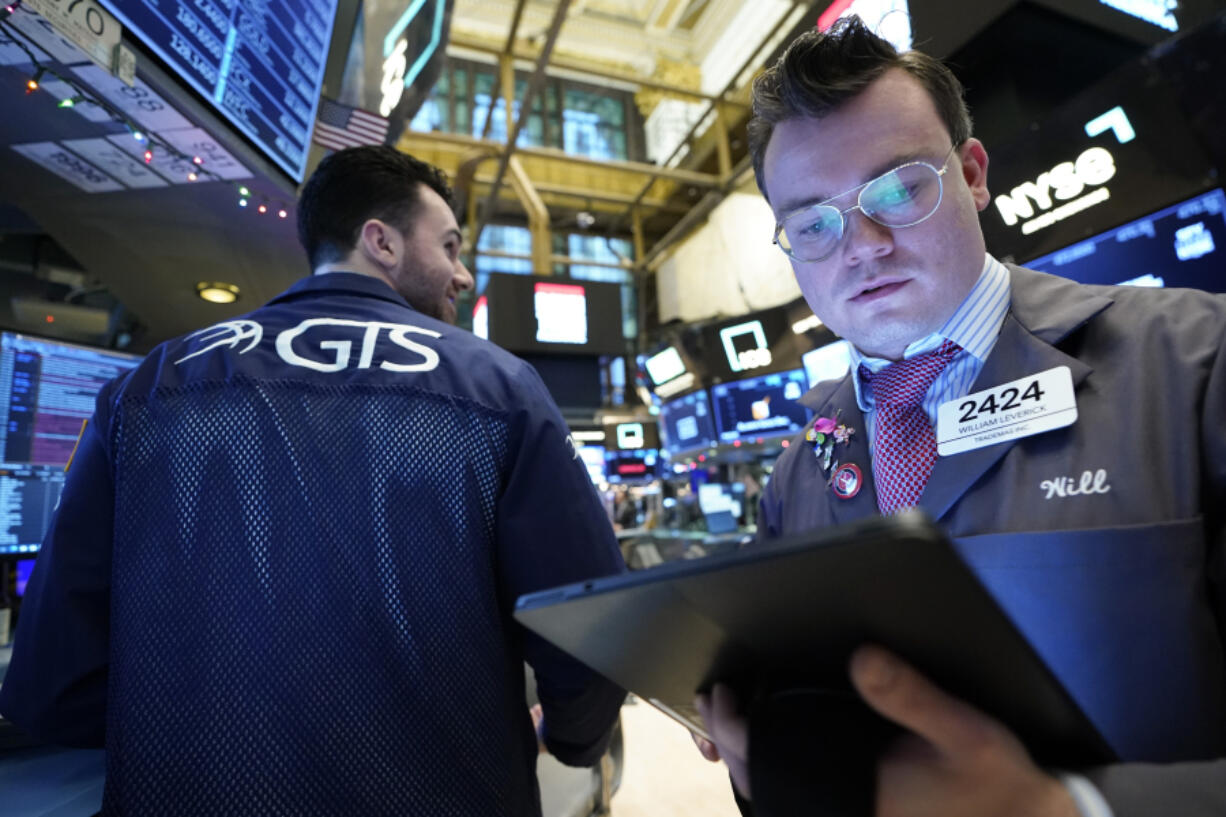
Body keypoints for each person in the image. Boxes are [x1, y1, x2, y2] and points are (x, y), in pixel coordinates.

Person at [693, 16, 1226, 817]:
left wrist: (1072, 808)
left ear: (973, 173)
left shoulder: (1196, 363)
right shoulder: (798, 472)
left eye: (900, 188)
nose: (862, 245)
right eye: (813, 223)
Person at [0, 145, 627, 815]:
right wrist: (574, 739)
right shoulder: (498, 385)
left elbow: (58, 677)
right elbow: (588, 627)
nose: (462, 274)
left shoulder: (150, 386)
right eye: (449, 245)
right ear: (380, 242)